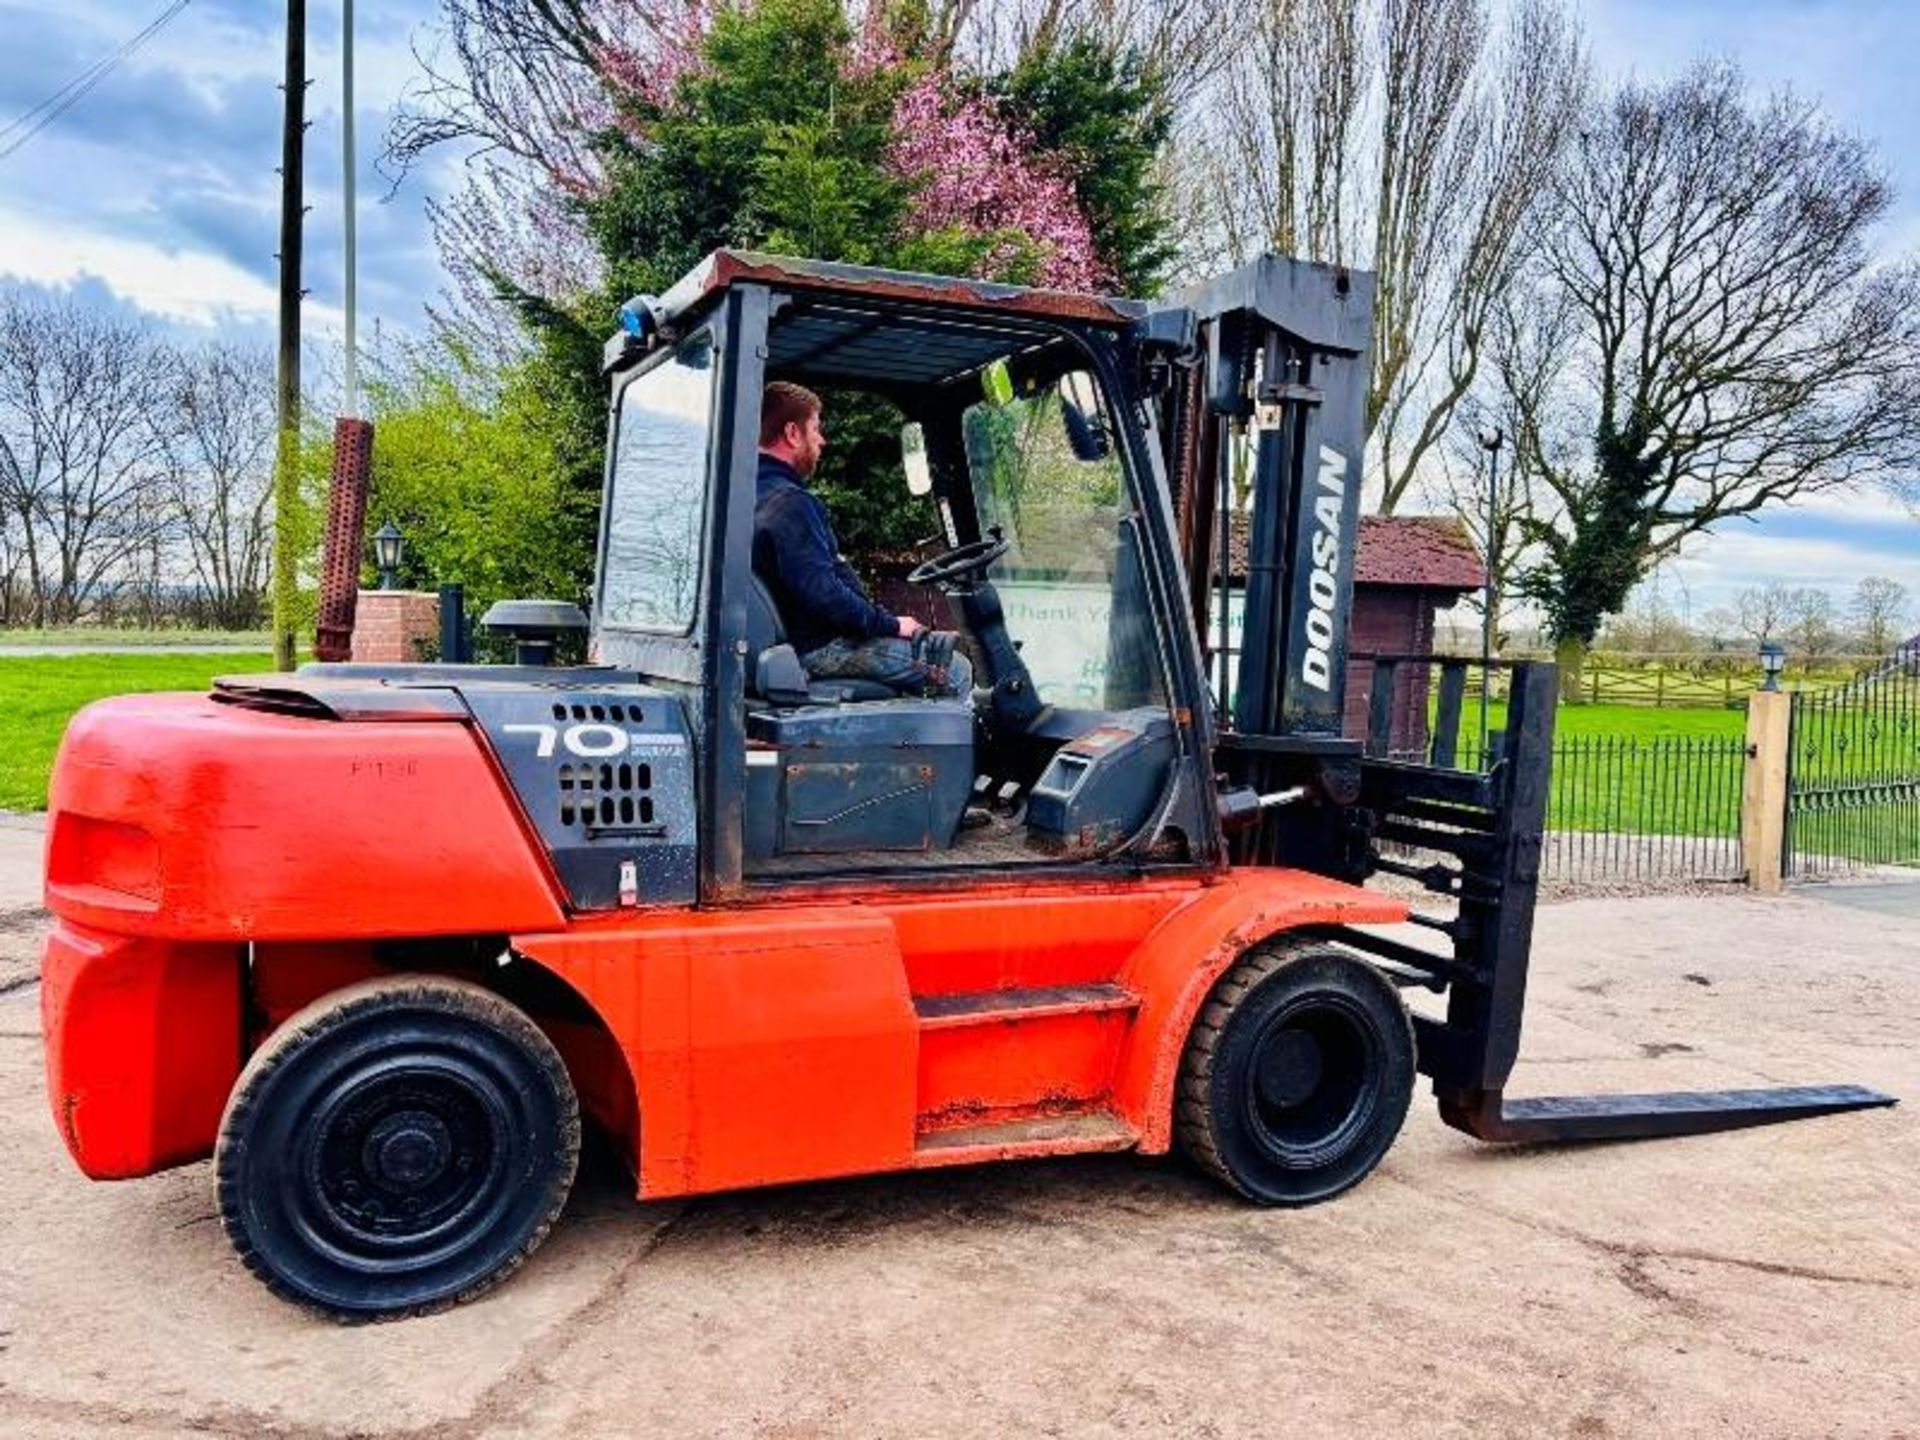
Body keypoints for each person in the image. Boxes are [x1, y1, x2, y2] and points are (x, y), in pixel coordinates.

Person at [753, 381, 971, 699]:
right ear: (792, 433)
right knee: (955, 669)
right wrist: (893, 625)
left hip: (786, 645)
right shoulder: (791, 504)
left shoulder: (748, 498)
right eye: (815, 429)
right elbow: (825, 596)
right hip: (818, 649)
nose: (822, 441)